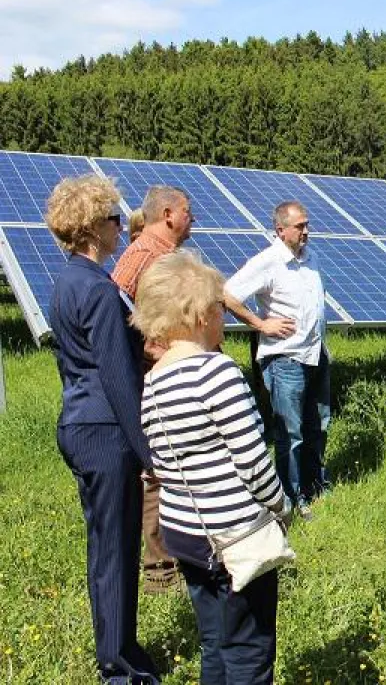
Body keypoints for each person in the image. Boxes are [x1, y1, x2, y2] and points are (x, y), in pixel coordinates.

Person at [133, 252, 287, 684]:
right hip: (233, 535)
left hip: (184, 531)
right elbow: (253, 460)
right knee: (250, 649)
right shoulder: (216, 371)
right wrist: (281, 506)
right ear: (200, 314)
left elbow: (162, 460)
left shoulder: (154, 377)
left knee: (215, 638)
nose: (225, 314)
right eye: (220, 307)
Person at [45, 174, 160, 685]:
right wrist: (150, 452)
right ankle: (118, 666)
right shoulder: (98, 290)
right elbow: (118, 377)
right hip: (107, 432)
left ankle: (119, 645)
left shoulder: (67, 281)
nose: (121, 226)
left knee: (104, 548)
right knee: (115, 550)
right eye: (115, 218)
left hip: (78, 423)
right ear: (93, 229)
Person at [112, 184, 196, 594]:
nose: (192, 218)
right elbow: (113, 314)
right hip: (156, 379)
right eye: (187, 211)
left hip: (175, 375)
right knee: (158, 470)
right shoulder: (143, 255)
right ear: (167, 214)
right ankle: (161, 572)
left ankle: (179, 555)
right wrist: (151, 351)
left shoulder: (163, 256)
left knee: (178, 464)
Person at [223, 201, 326, 521]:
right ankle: (290, 498)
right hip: (285, 360)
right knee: (290, 432)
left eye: (307, 225)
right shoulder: (268, 262)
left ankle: (314, 486)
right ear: (280, 230)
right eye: (299, 226)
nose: (306, 231)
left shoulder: (311, 257)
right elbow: (227, 294)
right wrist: (260, 324)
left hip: (315, 354)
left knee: (317, 424)